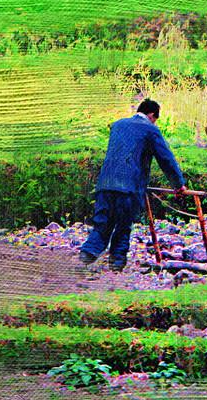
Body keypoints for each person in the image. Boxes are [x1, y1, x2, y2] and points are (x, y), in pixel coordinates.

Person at [78, 99, 186, 271]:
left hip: (105, 184)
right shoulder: (151, 129)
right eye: (155, 119)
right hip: (129, 187)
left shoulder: (118, 125)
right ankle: (116, 265)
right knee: (123, 225)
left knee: (102, 223)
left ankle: (86, 257)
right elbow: (166, 159)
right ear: (152, 115)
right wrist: (178, 185)